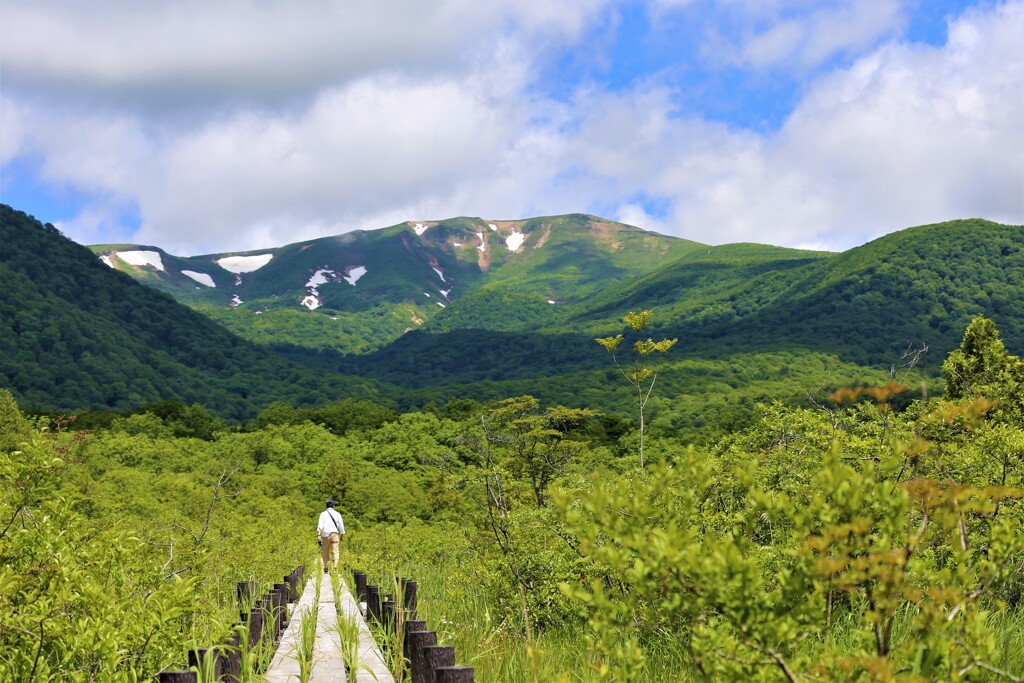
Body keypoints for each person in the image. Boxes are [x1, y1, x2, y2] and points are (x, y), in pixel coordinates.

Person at [317, 500, 345, 573]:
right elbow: (341, 526)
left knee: (325, 552)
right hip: (334, 534)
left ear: (326, 506)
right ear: (333, 506)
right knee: (335, 551)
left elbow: (320, 526)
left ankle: (326, 567)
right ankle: (335, 567)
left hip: (325, 535)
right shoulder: (337, 514)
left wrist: (318, 535)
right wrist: (342, 535)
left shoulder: (322, 514)